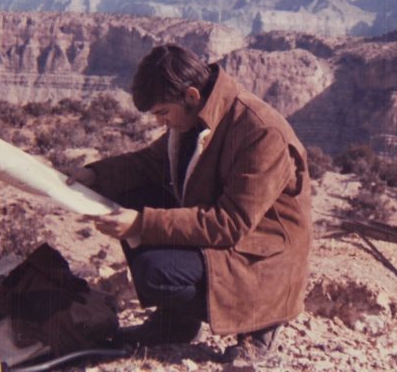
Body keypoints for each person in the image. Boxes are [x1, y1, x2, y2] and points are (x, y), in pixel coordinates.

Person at [67, 44, 312, 362]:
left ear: (191, 96)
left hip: (261, 256)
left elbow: (230, 223)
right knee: (127, 191)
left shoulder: (261, 132)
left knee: (155, 273)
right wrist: (94, 175)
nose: (159, 123)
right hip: (227, 234)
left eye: (162, 113)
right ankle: (177, 323)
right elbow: (149, 165)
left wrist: (142, 223)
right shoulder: (198, 116)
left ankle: (261, 327)